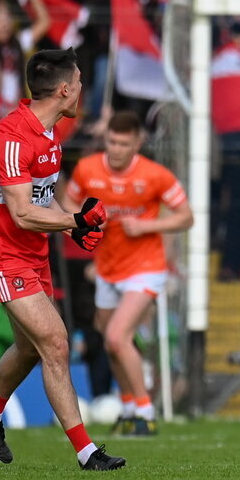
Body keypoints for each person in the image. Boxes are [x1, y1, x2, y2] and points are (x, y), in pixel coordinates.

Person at [0, 48, 125, 471]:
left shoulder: (50, 131)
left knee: (30, 348)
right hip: (0, 253)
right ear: (63, 89)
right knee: (55, 342)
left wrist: (76, 219)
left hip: (32, 251)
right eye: (78, 83)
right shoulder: (11, 138)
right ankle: (87, 453)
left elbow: (43, 194)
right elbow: (20, 211)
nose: (81, 90)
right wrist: (72, 220)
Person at [67, 111, 193, 436]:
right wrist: (85, 222)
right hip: (108, 268)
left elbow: (186, 217)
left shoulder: (155, 175)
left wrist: (149, 225)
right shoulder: (87, 170)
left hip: (146, 268)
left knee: (116, 336)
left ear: (138, 142)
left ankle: (146, 411)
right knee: (111, 343)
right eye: (112, 141)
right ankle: (127, 407)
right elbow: (68, 208)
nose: (117, 149)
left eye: (124, 143)